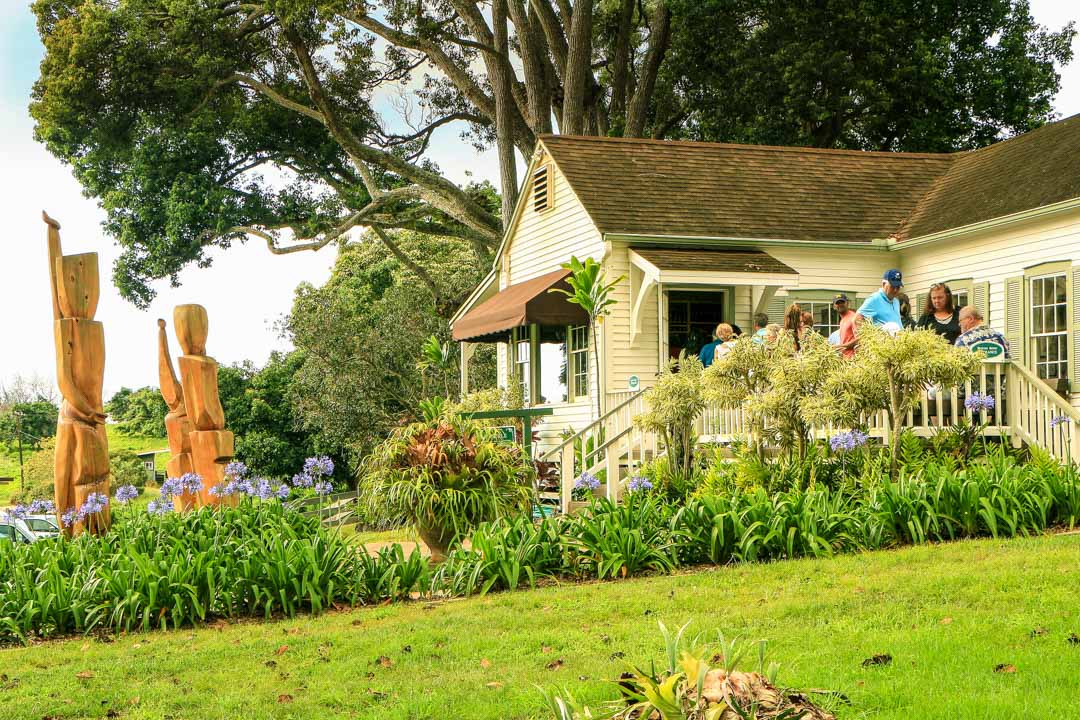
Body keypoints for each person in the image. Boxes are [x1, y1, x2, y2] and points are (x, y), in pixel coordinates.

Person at [832, 294, 857, 358]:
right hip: (846, 359)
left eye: (842, 302)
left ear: (847, 303)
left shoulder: (853, 317)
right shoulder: (842, 320)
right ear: (834, 306)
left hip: (854, 359)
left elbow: (860, 339)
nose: (840, 304)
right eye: (837, 303)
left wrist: (840, 347)